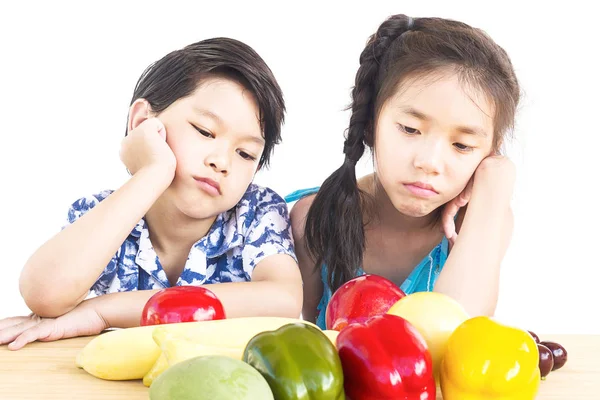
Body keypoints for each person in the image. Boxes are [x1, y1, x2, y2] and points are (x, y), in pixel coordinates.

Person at [0, 37, 302, 350]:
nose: (222, 162)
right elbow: (43, 294)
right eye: (205, 131)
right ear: (144, 122)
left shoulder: (257, 211)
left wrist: (101, 312)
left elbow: (283, 300)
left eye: (245, 153)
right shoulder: (101, 212)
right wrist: (153, 171)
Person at [287, 14, 519, 329]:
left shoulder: (482, 218)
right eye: (410, 129)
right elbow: (309, 340)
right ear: (370, 122)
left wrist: (497, 178)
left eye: (462, 145)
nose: (429, 162)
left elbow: (457, 330)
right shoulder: (314, 218)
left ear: (489, 151)